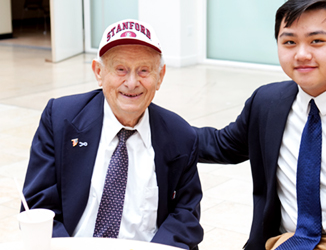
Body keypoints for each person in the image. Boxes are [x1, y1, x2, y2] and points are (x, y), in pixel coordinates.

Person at [195, 0, 326, 250]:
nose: (301, 54)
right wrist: (146, 119)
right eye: (289, 42)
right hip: (284, 241)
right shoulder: (267, 102)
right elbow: (219, 144)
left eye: (316, 41)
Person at [22, 19, 203, 250]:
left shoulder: (180, 136)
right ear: (99, 72)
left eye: (144, 70)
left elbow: (186, 215)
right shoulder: (60, 118)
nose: (132, 82)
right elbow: (37, 206)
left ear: (160, 76)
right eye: (120, 69)